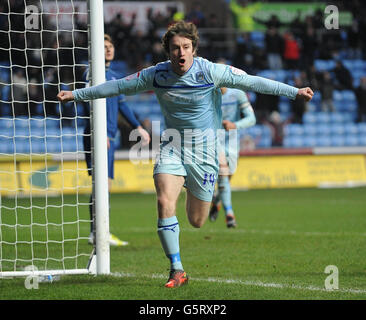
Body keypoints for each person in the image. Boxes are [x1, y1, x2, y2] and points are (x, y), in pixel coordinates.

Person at [57, 21, 313, 288]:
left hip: (205, 153)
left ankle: (205, 197)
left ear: (194, 49)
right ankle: (176, 268)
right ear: (168, 51)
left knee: (196, 220)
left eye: (186, 47)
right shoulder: (156, 75)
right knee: (164, 199)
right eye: (176, 48)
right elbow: (116, 87)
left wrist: (294, 92)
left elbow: (253, 81)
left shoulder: (211, 72)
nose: (181, 52)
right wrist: (76, 95)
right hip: (173, 146)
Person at [83, 34, 150, 247]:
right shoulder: (92, 74)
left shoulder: (113, 76)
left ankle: (101, 231)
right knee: (100, 184)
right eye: (103, 46)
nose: (108, 49)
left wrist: (138, 127)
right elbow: (87, 101)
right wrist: (98, 132)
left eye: (110, 46)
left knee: (106, 185)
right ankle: (97, 232)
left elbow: (122, 106)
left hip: (109, 136)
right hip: (97, 135)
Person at [209, 59, 256, 227]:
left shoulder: (237, 93)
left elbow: (252, 118)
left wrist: (235, 125)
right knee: (223, 176)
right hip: (214, 141)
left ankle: (217, 201)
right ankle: (230, 214)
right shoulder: (208, 94)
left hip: (232, 142)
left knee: (227, 180)